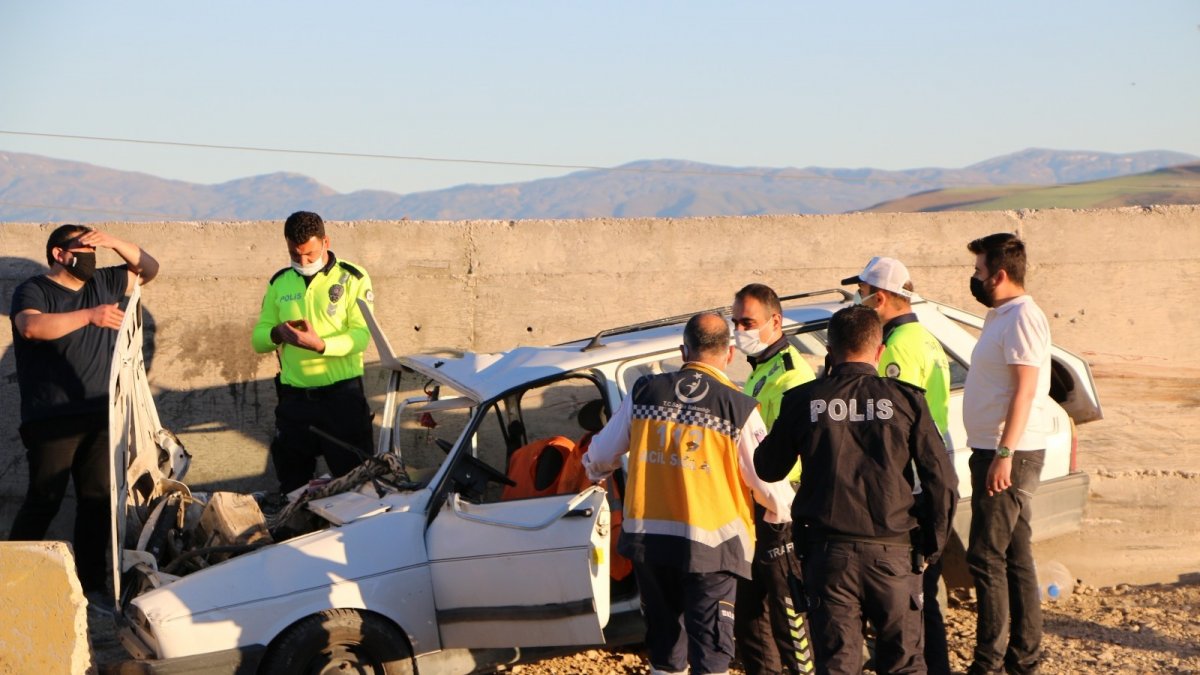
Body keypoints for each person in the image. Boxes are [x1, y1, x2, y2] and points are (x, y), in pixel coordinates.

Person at [583, 312, 794, 675]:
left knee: (666, 651)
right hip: (712, 549)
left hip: (651, 543)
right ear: (729, 354)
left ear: (684, 351)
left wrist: (594, 472)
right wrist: (780, 514)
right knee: (711, 654)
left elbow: (600, 455)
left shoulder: (645, 393)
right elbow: (768, 482)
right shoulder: (737, 407)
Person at [755, 305, 957, 675]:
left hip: (828, 556)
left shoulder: (802, 400)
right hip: (895, 552)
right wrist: (932, 543)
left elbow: (767, 467)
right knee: (904, 664)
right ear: (880, 351)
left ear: (829, 352)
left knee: (837, 664)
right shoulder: (908, 400)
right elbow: (942, 480)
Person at [8, 225, 160, 605]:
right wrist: (89, 316)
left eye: (95, 249)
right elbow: (31, 326)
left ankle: (90, 586)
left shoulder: (104, 282)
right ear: (59, 254)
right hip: (51, 419)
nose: (91, 257)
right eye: (84, 249)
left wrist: (115, 242)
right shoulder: (34, 289)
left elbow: (150, 269)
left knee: (96, 501)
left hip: (100, 414)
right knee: (44, 499)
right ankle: (9, 580)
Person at [842, 256, 953, 674]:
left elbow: (890, 425)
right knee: (921, 599)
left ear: (880, 298)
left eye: (862, 292)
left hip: (911, 483)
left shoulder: (898, 348)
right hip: (928, 472)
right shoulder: (924, 337)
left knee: (913, 607)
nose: (858, 299)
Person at [962, 233, 1053, 675]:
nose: (974, 277)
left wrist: (1004, 453)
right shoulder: (1001, 315)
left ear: (998, 275)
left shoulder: (1022, 318)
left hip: (1008, 454)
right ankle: (1024, 658)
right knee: (1015, 555)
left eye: (979, 271)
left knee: (985, 556)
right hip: (995, 450)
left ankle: (989, 663)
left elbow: (1025, 391)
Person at [252, 211, 375, 496]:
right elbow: (258, 339)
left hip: (341, 400)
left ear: (325, 242)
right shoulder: (280, 282)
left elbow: (361, 336)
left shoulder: (352, 278)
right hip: (295, 402)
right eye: (295, 255)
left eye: (309, 254)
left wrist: (321, 345)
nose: (303, 262)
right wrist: (276, 334)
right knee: (292, 487)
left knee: (355, 490)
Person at [730, 283, 814, 675]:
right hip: (755, 508)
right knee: (750, 619)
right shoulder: (760, 370)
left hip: (783, 508)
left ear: (775, 322)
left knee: (790, 618)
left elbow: (792, 450)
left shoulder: (791, 376)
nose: (739, 330)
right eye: (735, 322)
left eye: (747, 322)